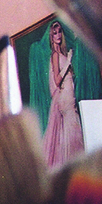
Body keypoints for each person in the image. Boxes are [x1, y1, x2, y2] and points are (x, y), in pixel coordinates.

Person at [42, 19, 84, 167]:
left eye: (59, 32)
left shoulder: (62, 53)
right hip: (65, 98)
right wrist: (68, 62)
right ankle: (75, 164)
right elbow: (57, 80)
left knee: (71, 131)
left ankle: (74, 163)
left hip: (69, 97)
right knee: (72, 130)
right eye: (55, 33)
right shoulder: (55, 55)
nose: (58, 35)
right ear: (51, 37)